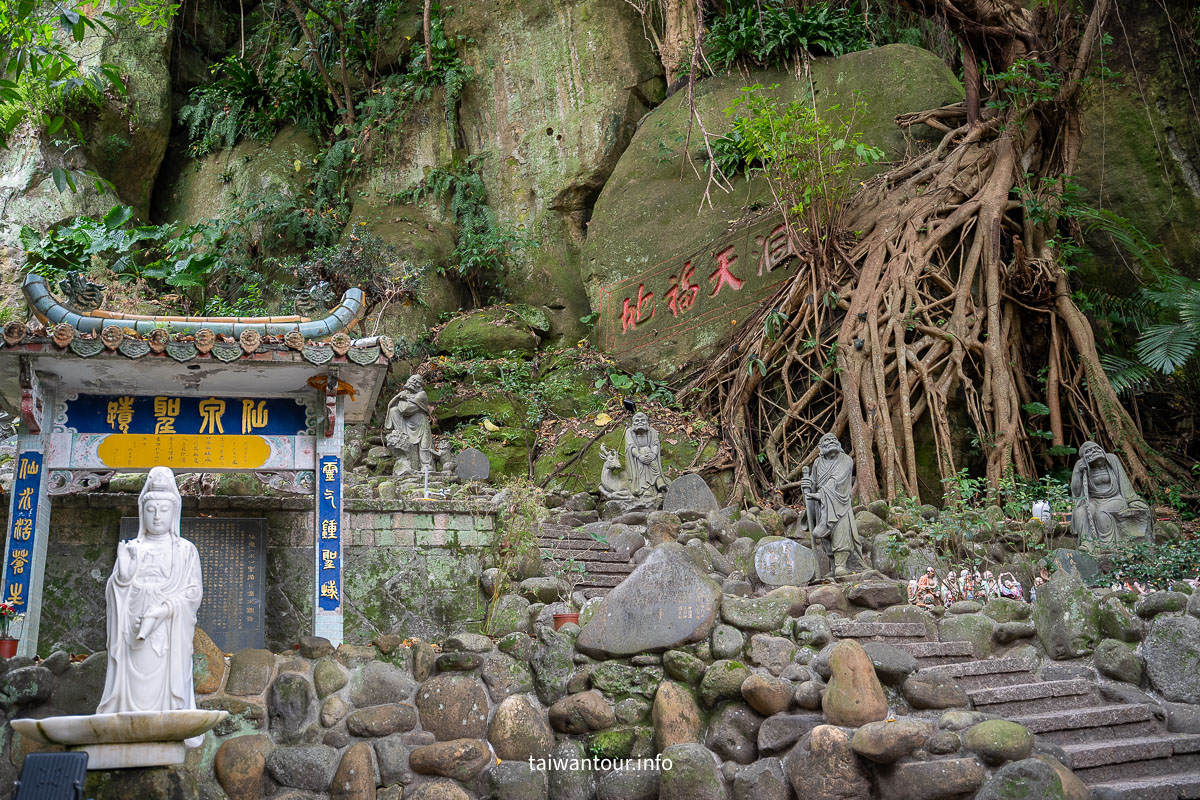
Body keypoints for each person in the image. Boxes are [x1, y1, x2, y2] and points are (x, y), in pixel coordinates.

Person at [97, 467, 203, 733]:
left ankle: (168, 722)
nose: (157, 516)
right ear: (142, 512)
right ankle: (126, 723)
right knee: (132, 684)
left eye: (164, 510)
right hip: (133, 628)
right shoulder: (132, 548)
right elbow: (115, 591)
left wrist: (165, 610)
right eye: (151, 510)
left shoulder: (185, 550)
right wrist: (123, 577)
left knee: (165, 686)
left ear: (174, 512)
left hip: (168, 631)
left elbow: (193, 593)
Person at [1070, 441, 1153, 551]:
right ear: (1084, 457)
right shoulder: (1081, 466)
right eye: (1089, 451)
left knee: (1102, 512)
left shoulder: (1112, 459)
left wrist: (1131, 499)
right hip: (1094, 500)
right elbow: (1076, 492)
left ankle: (1107, 545)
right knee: (1080, 512)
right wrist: (1077, 472)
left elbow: (1123, 481)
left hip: (1114, 498)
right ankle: (1087, 543)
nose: (1094, 451)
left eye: (1096, 448)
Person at [803, 433, 863, 577]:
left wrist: (821, 493)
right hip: (822, 504)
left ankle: (841, 565)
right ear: (820, 447)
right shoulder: (818, 463)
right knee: (826, 538)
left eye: (833, 440)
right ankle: (833, 565)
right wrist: (807, 485)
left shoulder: (846, 460)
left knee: (840, 532)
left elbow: (837, 479)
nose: (831, 441)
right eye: (827, 440)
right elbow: (814, 482)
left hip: (840, 503)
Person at [385, 375, 434, 475]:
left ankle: (426, 465)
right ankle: (401, 435)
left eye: (414, 382)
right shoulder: (406, 394)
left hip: (419, 423)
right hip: (406, 423)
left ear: (418, 385)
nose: (411, 383)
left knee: (424, 446)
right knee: (394, 411)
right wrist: (400, 397)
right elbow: (392, 405)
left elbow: (406, 409)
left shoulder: (421, 394)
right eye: (410, 381)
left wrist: (403, 399)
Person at [624, 412, 667, 497]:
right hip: (637, 457)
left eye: (642, 420)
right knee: (644, 451)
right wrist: (639, 456)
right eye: (637, 420)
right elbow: (631, 447)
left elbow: (655, 444)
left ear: (647, 422)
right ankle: (645, 488)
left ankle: (658, 479)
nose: (640, 422)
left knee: (646, 450)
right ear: (633, 423)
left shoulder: (652, 431)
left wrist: (654, 454)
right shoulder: (629, 432)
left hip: (650, 455)